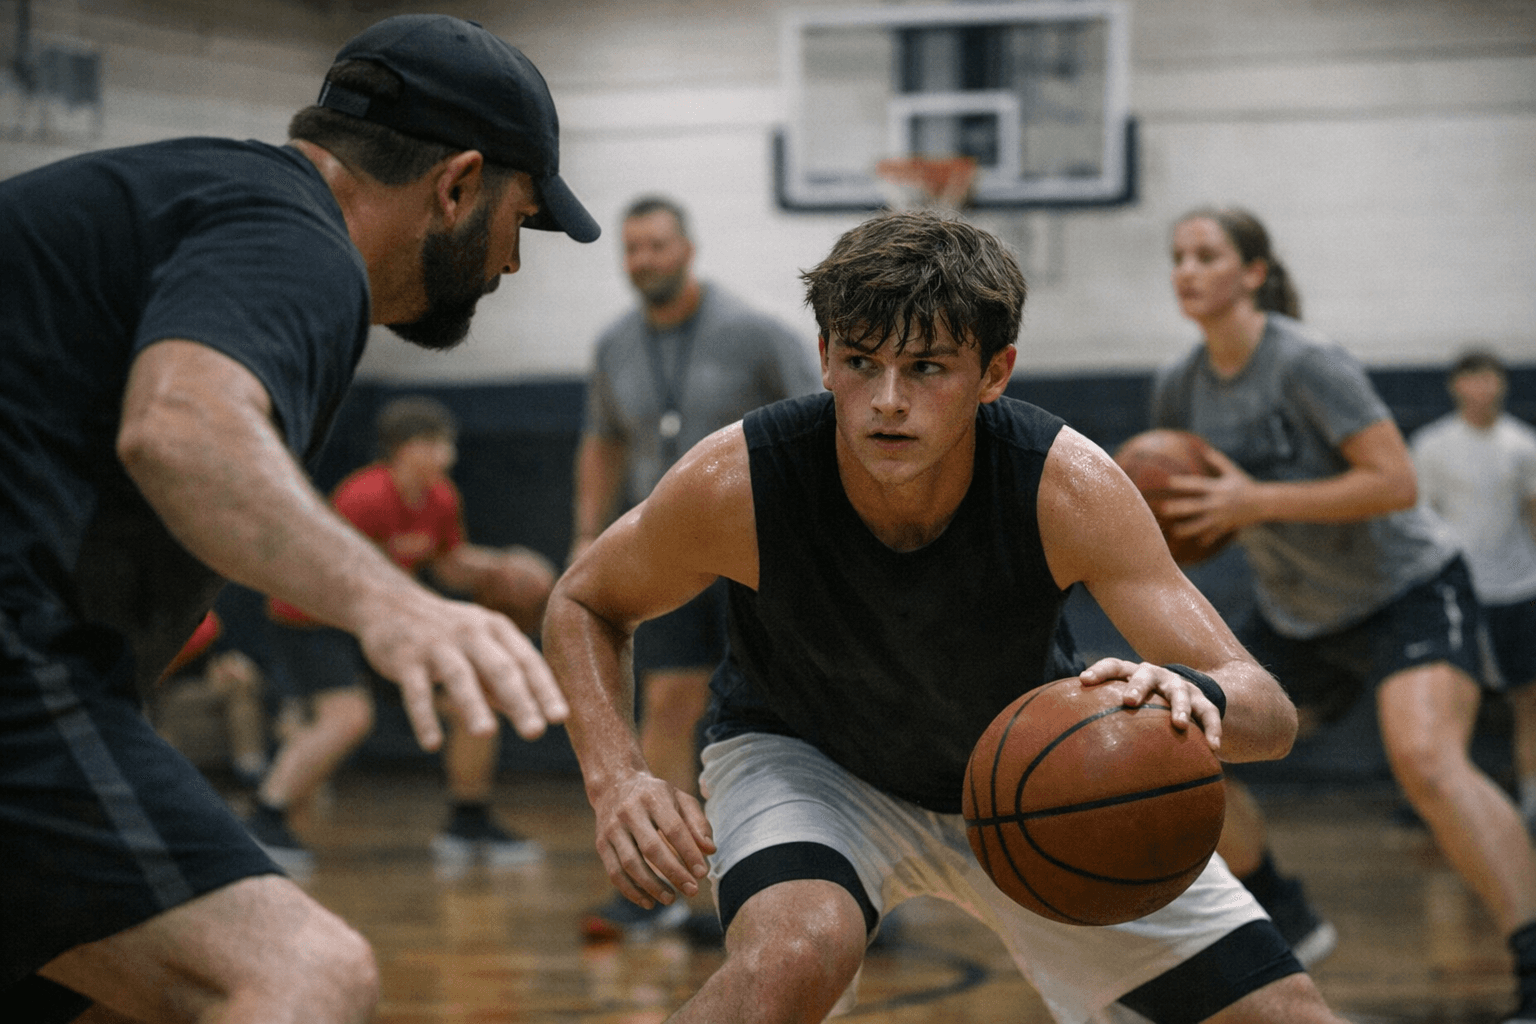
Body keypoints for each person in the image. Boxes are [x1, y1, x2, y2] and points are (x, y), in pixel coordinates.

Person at [545, 210, 1349, 1023]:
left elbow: (1268, 712)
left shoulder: (1067, 487)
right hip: (806, 760)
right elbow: (584, 600)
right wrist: (617, 780)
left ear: (994, 372)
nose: (887, 402)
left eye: (927, 367)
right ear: (824, 358)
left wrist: (1197, 697)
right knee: (791, 960)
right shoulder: (738, 481)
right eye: (862, 362)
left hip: (1029, 772)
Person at [0, 13, 589, 1022]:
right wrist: (394, 603)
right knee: (300, 976)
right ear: (456, 184)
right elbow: (181, 429)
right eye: (520, 221)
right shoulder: (298, 239)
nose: (514, 266)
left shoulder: (201, 202)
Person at [1151, 207, 1536, 1022]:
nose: (1187, 269)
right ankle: (1281, 906)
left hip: (1407, 591)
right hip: (1298, 615)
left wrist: (1256, 498)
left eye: (1207, 254)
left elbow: (1395, 482)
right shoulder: (1180, 386)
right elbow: (1195, 515)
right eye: (1178, 257)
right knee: (1184, 755)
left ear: (1253, 272)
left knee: (1428, 762)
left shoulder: (1305, 362)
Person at [571, 195, 821, 939]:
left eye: (657, 244)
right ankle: (657, 888)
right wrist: (586, 536)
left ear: (688, 248)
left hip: (761, 554)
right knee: (670, 703)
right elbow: (603, 443)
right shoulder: (615, 344)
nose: (644, 259)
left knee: (800, 707)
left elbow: (822, 418)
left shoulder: (755, 331)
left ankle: (836, 881)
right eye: (633, 247)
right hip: (669, 553)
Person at [248, 396, 557, 875]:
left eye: (446, 443)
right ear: (399, 449)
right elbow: (342, 576)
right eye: (431, 443)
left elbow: (450, 567)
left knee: (472, 698)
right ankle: (265, 821)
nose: (444, 454)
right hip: (314, 617)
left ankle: (467, 820)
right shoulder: (364, 497)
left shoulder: (440, 498)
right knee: (347, 717)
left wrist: (501, 565)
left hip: (382, 620)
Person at [1411, 350, 1536, 830]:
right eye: (1472, 378)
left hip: (1519, 591)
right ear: (1456, 386)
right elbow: (1421, 522)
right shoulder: (1434, 445)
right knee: (1452, 703)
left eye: (1491, 378)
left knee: (1528, 700)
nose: (1482, 388)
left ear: (1501, 385)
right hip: (1460, 594)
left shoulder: (1522, 445)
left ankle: (1529, 803)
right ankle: (1446, 802)